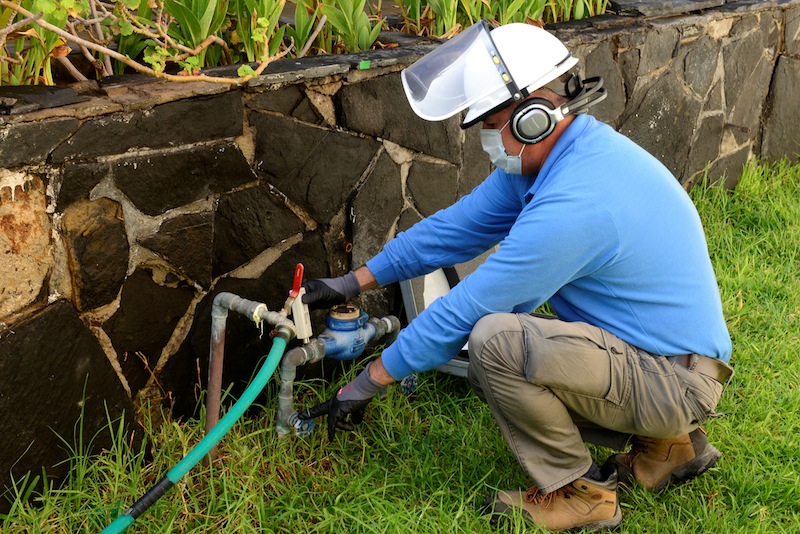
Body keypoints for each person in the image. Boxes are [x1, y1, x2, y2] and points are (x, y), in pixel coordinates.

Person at [297, 20, 733, 532]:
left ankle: (583, 493)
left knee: (495, 344)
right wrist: (354, 283)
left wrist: (365, 385)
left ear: (533, 116)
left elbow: (470, 308)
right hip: (668, 364)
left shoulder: (577, 204)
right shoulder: (561, 158)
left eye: (489, 120)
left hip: (676, 383)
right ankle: (668, 447)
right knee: (502, 340)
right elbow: (453, 230)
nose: (483, 135)